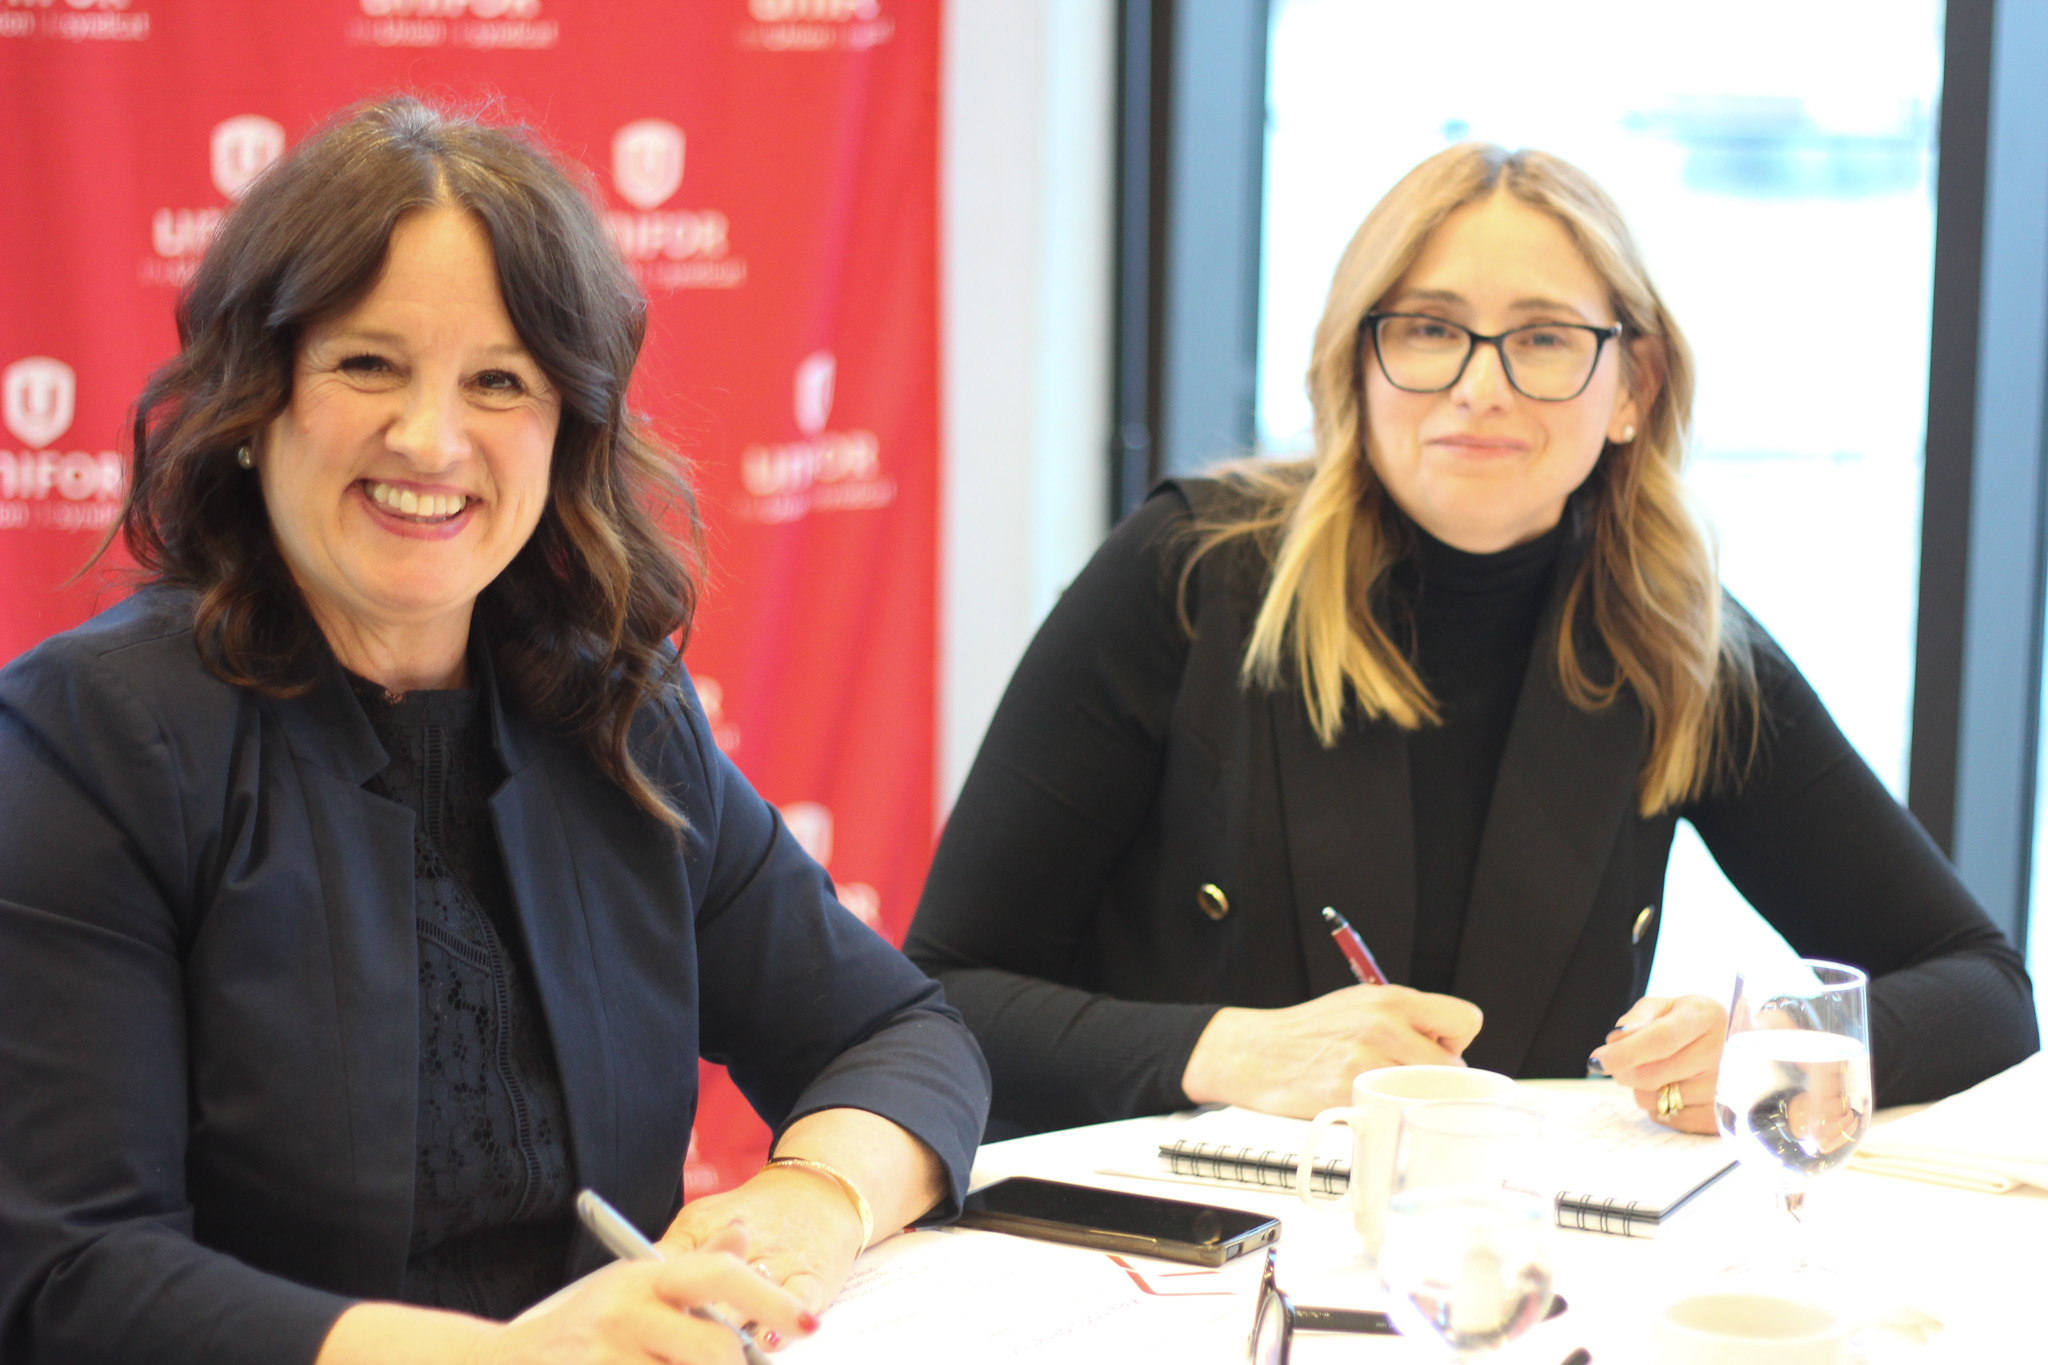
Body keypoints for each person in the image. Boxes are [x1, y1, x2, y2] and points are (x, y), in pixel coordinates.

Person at [0, 97, 989, 1365]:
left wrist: (813, 1200)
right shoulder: (87, 741)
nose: (431, 439)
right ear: (255, 402)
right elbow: (72, 1278)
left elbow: (898, 1035)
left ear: (566, 429)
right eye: (367, 364)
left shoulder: (613, 712)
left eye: (499, 382)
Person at [905, 142, 2037, 1142]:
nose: (1479, 387)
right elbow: (939, 993)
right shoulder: (1189, 575)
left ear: (1632, 384)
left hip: (1520, 1271)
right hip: (1170, 1258)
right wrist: (1228, 1050)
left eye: (1542, 338)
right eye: (1430, 331)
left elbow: (1983, 990)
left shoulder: (1676, 640)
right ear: (1356, 362)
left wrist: (1773, 1043)